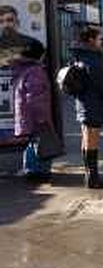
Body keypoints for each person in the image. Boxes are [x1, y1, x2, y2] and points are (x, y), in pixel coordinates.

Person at [71, 26, 103, 189]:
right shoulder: (94, 59)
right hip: (93, 104)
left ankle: (89, 176)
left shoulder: (79, 55)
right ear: (91, 40)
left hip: (82, 102)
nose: (102, 42)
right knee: (92, 140)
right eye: (100, 39)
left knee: (86, 139)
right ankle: (93, 179)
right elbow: (102, 85)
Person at [12, 41, 55, 181]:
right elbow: (35, 97)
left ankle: (30, 169)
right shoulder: (36, 71)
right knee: (41, 143)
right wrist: (42, 117)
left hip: (26, 116)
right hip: (36, 116)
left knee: (31, 143)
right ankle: (39, 171)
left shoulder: (22, 69)